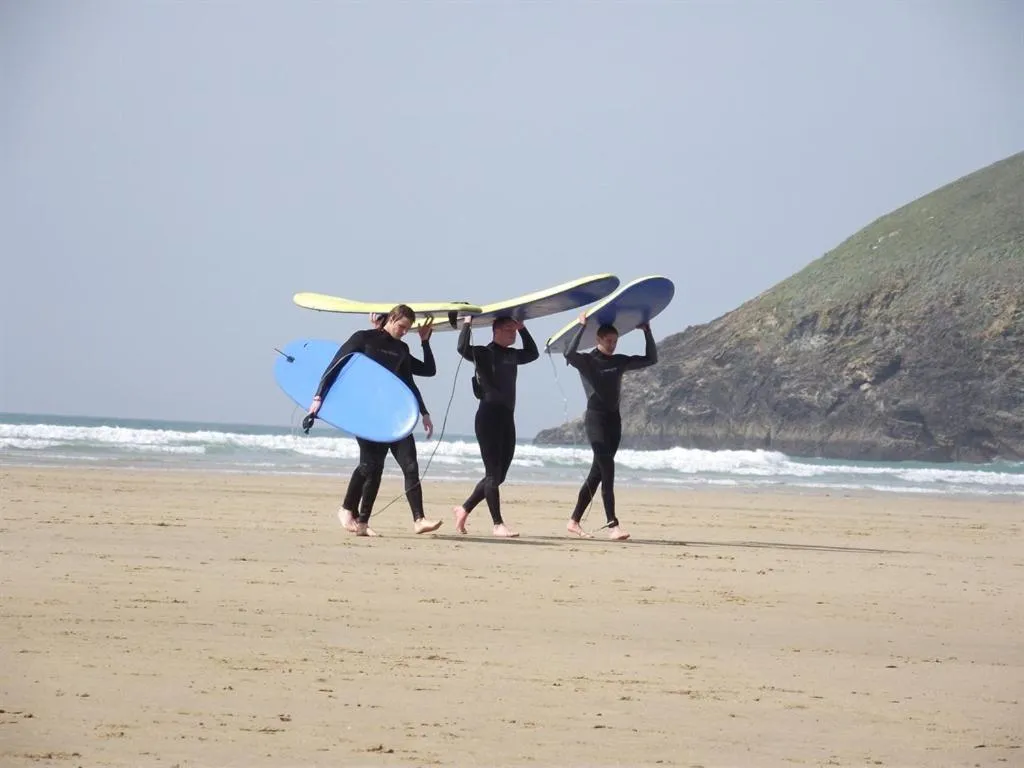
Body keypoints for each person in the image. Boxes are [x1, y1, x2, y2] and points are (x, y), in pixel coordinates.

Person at [305, 304, 442, 537]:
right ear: (391, 318)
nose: (403, 332)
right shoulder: (363, 339)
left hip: (392, 414)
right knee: (371, 467)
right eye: (401, 326)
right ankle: (353, 514)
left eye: (407, 329)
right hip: (365, 413)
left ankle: (418, 519)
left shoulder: (401, 349)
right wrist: (319, 398)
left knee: (410, 465)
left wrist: (423, 411)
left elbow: (411, 380)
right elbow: (335, 365)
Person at [562, 311, 658, 541]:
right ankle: (613, 525)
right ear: (598, 340)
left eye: (615, 341)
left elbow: (651, 358)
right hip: (595, 420)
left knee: (597, 474)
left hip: (614, 420)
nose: (613, 345)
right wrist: (581, 327)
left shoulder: (619, 361)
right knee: (608, 471)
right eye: (608, 341)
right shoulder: (587, 361)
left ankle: (574, 521)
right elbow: (568, 353)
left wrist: (647, 332)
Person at [452, 314, 539, 537]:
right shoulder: (483, 353)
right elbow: (462, 348)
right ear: (496, 330)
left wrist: (523, 328)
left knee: (499, 476)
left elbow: (533, 353)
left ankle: (464, 509)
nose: (513, 334)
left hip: (507, 418)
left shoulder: (512, 355)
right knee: (492, 474)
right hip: (488, 418)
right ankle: (497, 524)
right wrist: (468, 323)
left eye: (513, 330)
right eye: (509, 330)